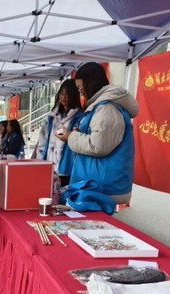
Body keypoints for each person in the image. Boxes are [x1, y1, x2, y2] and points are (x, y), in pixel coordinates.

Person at [57, 62, 139, 204]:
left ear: (91, 84)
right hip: (98, 184)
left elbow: (98, 146)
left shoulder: (107, 108)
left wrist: (70, 136)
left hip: (103, 185)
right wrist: (80, 134)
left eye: (81, 88)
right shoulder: (100, 107)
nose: (81, 93)